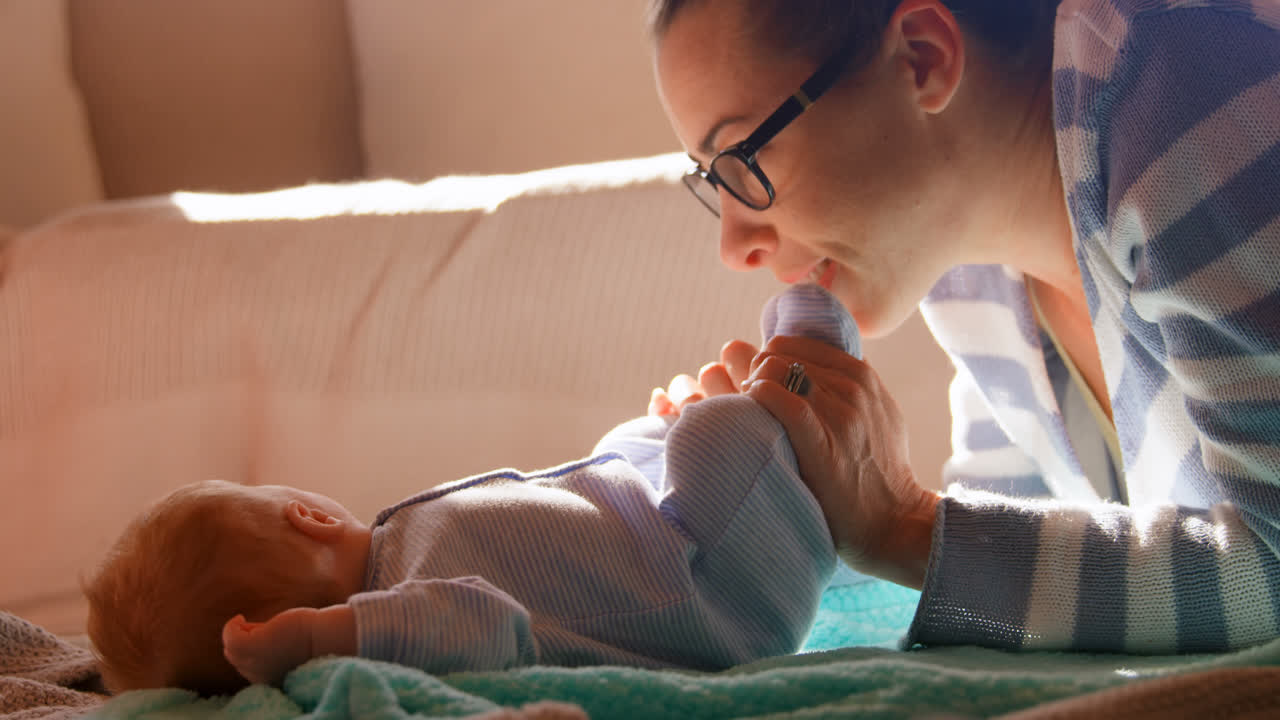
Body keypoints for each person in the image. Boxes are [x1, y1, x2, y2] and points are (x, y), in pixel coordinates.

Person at [646, 0, 1280, 654]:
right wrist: (794, 502)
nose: (733, 246)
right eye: (711, 179)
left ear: (922, 57)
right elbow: (1027, 587)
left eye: (743, 157)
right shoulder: (963, 272)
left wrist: (900, 524)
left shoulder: (1177, 81)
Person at [83, 284, 861, 697]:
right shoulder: (414, 615)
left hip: (663, 542)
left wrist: (646, 454)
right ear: (309, 516)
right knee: (717, 433)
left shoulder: (404, 557)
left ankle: (707, 433)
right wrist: (324, 637)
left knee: (621, 446)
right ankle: (814, 357)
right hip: (722, 595)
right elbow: (491, 625)